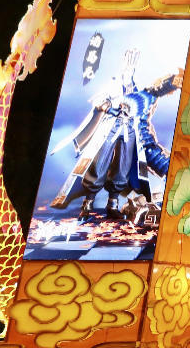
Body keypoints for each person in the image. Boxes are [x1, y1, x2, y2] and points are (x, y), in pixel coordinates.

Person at [49, 48, 182, 222]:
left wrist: (173, 82)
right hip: (111, 127)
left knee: (122, 168)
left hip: (129, 130)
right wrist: (109, 104)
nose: (129, 71)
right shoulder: (116, 86)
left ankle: (112, 205)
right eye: (126, 69)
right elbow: (103, 102)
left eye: (131, 70)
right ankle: (87, 204)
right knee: (99, 164)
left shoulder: (145, 96)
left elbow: (149, 96)